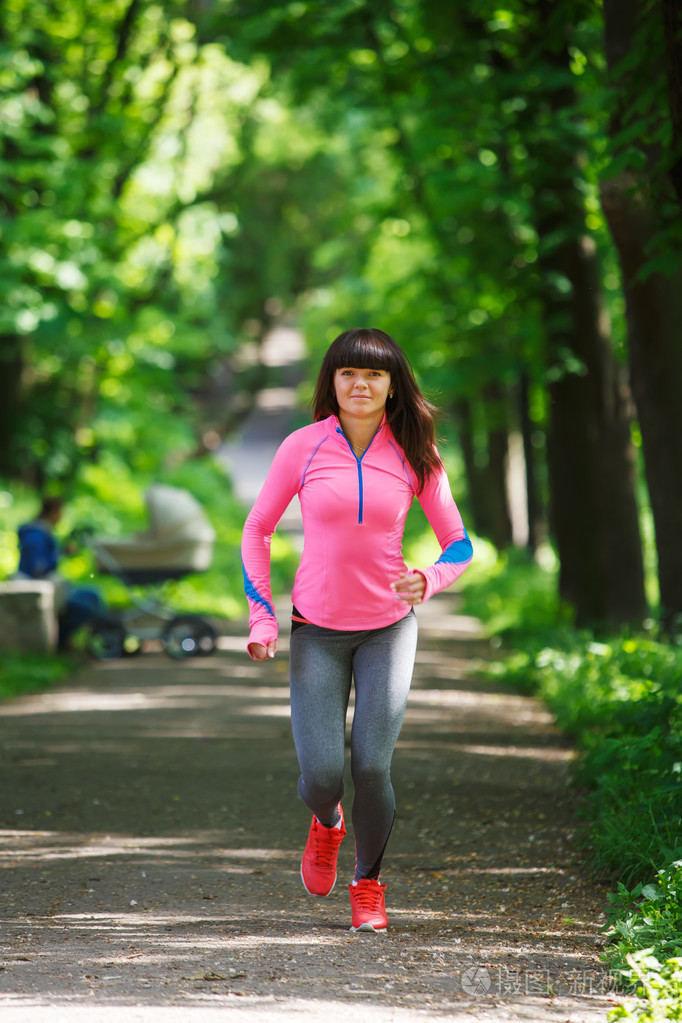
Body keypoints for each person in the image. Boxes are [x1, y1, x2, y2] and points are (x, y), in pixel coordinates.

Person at [241, 328, 473, 932]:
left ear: (393, 384)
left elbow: (460, 543)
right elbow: (257, 528)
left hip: (388, 629)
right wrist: (262, 614)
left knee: (372, 765)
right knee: (321, 776)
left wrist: (431, 578)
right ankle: (327, 823)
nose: (360, 384)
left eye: (373, 374)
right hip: (315, 629)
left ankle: (368, 883)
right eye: (347, 373)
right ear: (332, 383)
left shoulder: (416, 453)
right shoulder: (303, 446)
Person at [16, 496, 105, 650]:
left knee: (93, 594)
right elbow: (38, 567)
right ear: (54, 511)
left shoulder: (43, 532)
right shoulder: (36, 534)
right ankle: (58, 644)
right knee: (85, 607)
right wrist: (56, 556)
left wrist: (62, 552)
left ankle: (97, 639)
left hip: (53, 587)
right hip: (44, 590)